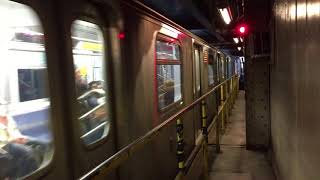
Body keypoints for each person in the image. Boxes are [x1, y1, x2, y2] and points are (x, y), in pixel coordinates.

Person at [0, 99, 38, 179]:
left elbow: (14, 131)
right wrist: (12, 139)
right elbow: (3, 141)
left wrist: (20, 137)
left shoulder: (7, 117)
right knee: (27, 153)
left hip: (12, 142)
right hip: (2, 147)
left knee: (40, 144)